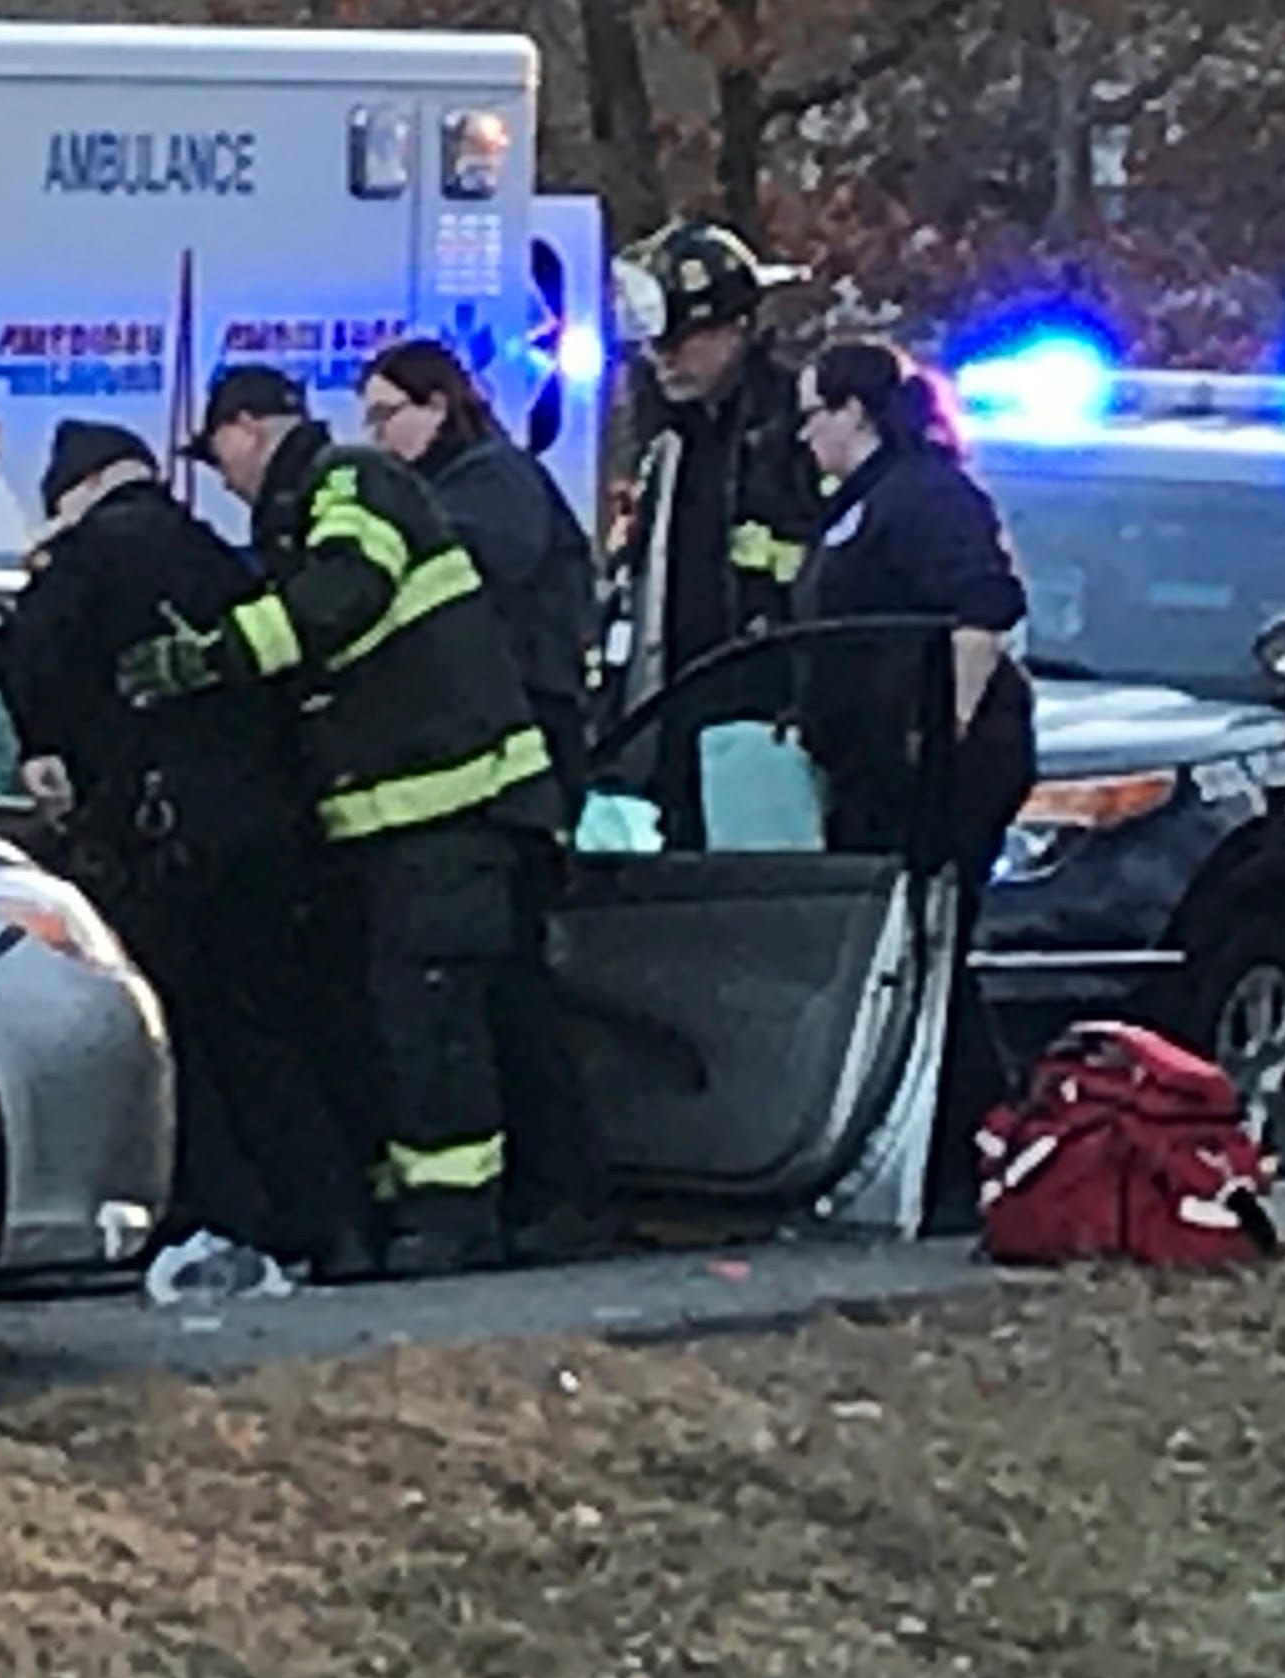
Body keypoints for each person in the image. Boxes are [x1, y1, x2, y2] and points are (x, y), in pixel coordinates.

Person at [128, 364, 555, 1279]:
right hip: (405, 818)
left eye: (220, 457)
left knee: (431, 1020)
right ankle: (436, 1203)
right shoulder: (307, 512)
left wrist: (213, 657)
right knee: (411, 1019)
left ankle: (456, 1218)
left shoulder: (350, 483)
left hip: (451, 804)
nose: (225, 481)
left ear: (248, 428)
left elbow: (345, 593)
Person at [0, 417, 364, 1296]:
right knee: (270, 1032)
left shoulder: (91, 554)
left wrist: (52, 751)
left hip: (172, 842)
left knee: (182, 1035)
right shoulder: (218, 554)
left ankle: (220, 1215)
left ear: (79, 491)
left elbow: (28, 653)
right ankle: (328, 1220)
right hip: (270, 831)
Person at [359, 337, 610, 1258]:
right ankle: (544, 1193)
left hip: (519, 768)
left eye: (387, 416)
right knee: (504, 989)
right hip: (506, 767)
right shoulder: (465, 483)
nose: (378, 438)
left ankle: (558, 1193)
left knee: (511, 990)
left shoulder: (494, 484)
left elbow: (465, 578)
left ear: (438, 404)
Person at [796, 338, 1033, 1231]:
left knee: (930, 959)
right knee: (920, 962)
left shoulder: (925, 494)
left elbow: (985, 608)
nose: (804, 435)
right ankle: (952, 1154)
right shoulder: (864, 501)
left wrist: (946, 729)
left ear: (853, 411)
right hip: (876, 764)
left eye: (812, 415)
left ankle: (968, 1159)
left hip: (936, 769)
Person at [598, 220, 822, 720]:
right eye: (653, 343)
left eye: (678, 339)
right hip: (679, 698)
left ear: (736, 325)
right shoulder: (668, 437)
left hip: (769, 708)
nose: (661, 357)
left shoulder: (795, 428)